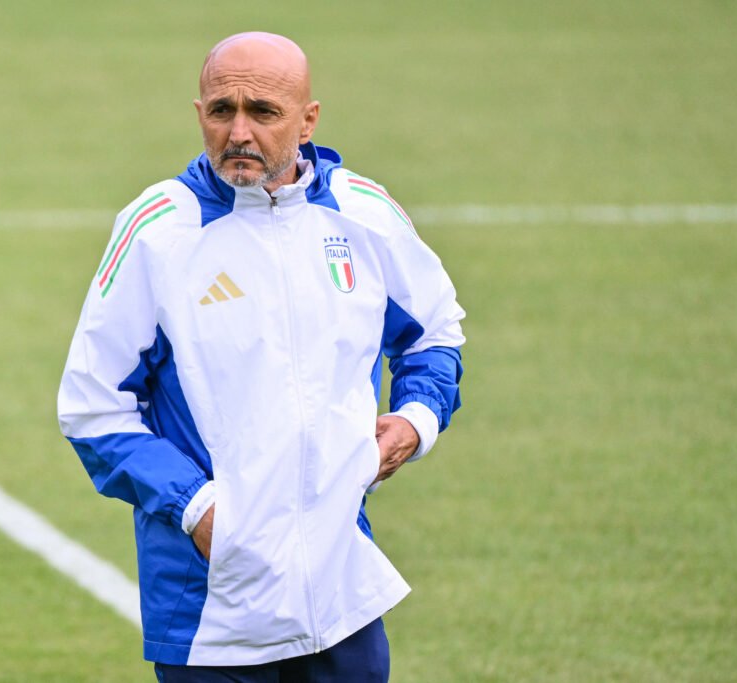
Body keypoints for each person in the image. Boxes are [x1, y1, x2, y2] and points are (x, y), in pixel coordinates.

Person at [58, 32, 465, 683]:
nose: (238, 131)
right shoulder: (161, 231)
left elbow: (436, 329)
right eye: (222, 110)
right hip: (213, 614)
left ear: (308, 121)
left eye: (263, 112)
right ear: (199, 115)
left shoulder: (363, 215)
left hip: (340, 598)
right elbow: (92, 407)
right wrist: (196, 507)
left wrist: (417, 419)